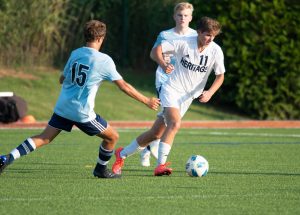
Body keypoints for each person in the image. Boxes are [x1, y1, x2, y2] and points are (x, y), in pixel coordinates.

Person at [0, 20, 160, 179]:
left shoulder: (76, 53)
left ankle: (7, 158)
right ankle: (101, 169)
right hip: (82, 113)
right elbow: (124, 86)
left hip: (63, 107)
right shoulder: (104, 60)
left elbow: (62, 79)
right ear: (100, 38)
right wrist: (146, 100)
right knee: (112, 137)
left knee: (44, 137)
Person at [112, 16, 225, 176]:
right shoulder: (184, 42)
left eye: (213, 36)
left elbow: (220, 76)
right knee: (175, 123)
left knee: (155, 134)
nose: (210, 39)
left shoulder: (215, 50)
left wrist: (210, 92)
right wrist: (163, 64)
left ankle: (121, 154)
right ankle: (160, 166)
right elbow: (155, 51)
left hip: (187, 98)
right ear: (199, 32)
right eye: (207, 35)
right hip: (171, 89)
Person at [140, 2, 197, 167]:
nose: (182, 18)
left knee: (167, 122)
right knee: (171, 121)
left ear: (191, 18)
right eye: (180, 15)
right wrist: (163, 63)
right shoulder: (166, 34)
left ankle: (148, 148)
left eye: (186, 15)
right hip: (165, 80)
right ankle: (155, 156)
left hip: (184, 85)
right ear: (174, 16)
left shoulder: (195, 36)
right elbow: (153, 53)